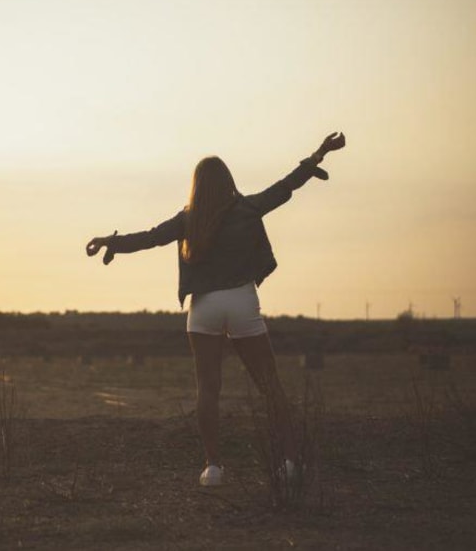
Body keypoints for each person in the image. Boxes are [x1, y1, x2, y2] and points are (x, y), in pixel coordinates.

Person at [85, 132, 346, 486]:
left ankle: (213, 467)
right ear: (228, 182)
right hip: (241, 301)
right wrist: (317, 155)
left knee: (208, 390)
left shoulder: (188, 219)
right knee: (271, 387)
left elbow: (150, 237)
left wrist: (111, 243)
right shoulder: (247, 208)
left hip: (203, 307)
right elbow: (284, 188)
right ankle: (288, 462)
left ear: (197, 187)